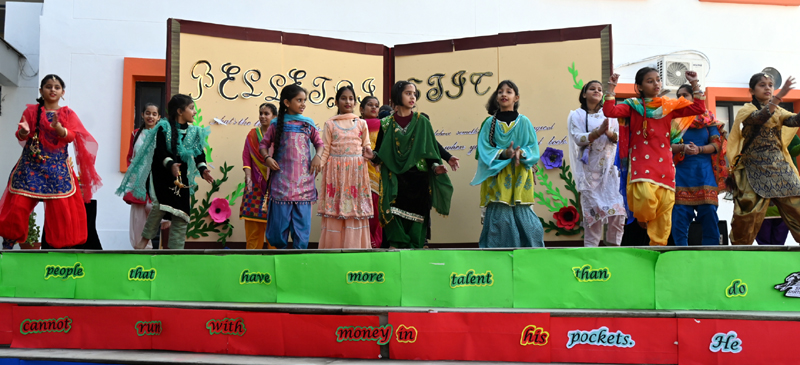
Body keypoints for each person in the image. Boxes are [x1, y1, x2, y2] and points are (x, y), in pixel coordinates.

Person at [603, 67, 705, 246]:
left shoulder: (668, 106)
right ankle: (643, 218)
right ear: (640, 87)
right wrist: (611, 89)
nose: (656, 83)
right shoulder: (632, 106)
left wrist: (694, 83)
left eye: (658, 80)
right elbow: (610, 111)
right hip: (641, 161)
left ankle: (658, 248)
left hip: (664, 163)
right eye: (650, 81)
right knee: (644, 197)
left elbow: (698, 107)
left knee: (665, 207)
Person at [0, 74, 101, 248]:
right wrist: (24, 132)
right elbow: (21, 134)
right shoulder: (31, 112)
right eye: (48, 86)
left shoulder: (68, 114)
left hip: (57, 170)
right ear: (41, 91)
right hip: (30, 167)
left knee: (62, 213)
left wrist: (59, 128)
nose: (52, 89)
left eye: (56, 87)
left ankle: (59, 256)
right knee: (17, 207)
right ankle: (7, 249)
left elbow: (71, 136)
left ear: (63, 92)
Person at [118, 93, 214, 249]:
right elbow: (160, 152)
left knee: (182, 216)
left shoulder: (195, 132)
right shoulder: (164, 128)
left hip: (181, 180)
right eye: (191, 108)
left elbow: (199, 154)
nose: (194, 112)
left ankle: (176, 255)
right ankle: (141, 247)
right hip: (162, 176)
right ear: (180, 111)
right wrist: (171, 165)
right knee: (158, 210)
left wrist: (203, 170)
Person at [371, 81, 453, 248]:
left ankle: (415, 250)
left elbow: (430, 150)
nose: (412, 97)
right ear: (397, 95)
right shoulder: (386, 124)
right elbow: (380, 153)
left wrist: (436, 166)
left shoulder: (422, 121)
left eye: (414, 94)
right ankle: (396, 247)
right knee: (393, 213)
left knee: (417, 218)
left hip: (418, 179)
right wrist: (371, 155)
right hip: (394, 177)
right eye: (408, 93)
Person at [728, 73, 800, 245]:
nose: (767, 88)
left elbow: (793, 120)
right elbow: (760, 118)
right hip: (754, 169)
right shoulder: (747, 110)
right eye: (762, 85)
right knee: (747, 213)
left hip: (780, 168)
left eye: (770, 85)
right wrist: (780, 96)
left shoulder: (780, 111)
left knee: (797, 204)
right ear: (752, 90)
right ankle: (739, 252)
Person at [471, 80, 544, 248]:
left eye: (509, 91)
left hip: (519, 175)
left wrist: (520, 153)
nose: (504, 94)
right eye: (500, 92)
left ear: (516, 98)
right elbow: (483, 151)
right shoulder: (489, 124)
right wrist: (505, 153)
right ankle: (500, 262)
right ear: (496, 98)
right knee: (501, 222)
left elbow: (532, 147)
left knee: (531, 226)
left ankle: (530, 260)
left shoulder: (524, 122)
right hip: (497, 178)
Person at [259, 84, 323, 249]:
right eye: (299, 100)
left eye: (304, 101)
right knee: (278, 228)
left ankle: (299, 258)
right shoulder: (275, 124)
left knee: (302, 228)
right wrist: (266, 158)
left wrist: (317, 156)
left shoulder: (308, 124)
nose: (303, 104)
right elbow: (263, 145)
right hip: (282, 183)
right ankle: (280, 254)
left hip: (303, 184)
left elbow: (320, 144)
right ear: (287, 102)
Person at [568, 80, 626, 247]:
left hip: (611, 172)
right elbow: (578, 138)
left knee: (618, 213)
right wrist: (596, 133)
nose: (597, 91)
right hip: (589, 173)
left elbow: (620, 137)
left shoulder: (610, 114)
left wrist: (609, 133)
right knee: (593, 218)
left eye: (600, 89)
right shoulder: (577, 115)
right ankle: (591, 255)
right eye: (592, 88)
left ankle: (614, 251)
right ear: (584, 94)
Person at [669, 84, 728, 246]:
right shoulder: (674, 120)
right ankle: (681, 255)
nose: (681, 98)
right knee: (680, 215)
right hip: (681, 174)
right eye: (678, 95)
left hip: (704, 173)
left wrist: (699, 149)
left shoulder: (708, 119)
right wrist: (683, 148)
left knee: (709, 213)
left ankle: (712, 254)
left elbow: (717, 144)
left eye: (685, 95)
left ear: (695, 98)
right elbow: (665, 146)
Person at [317, 86, 373, 248]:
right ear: (336, 101)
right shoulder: (330, 124)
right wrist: (318, 167)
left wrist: (374, 160)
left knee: (354, 211)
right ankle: (333, 250)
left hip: (356, 174)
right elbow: (326, 149)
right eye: (343, 98)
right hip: (335, 174)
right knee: (336, 211)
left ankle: (355, 247)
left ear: (355, 102)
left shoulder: (361, 123)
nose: (347, 101)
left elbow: (366, 147)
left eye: (351, 98)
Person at [124, 103, 165, 249]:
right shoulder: (135, 134)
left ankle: (158, 252)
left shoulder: (162, 135)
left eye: (154, 114)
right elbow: (130, 158)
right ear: (142, 115)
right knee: (138, 221)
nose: (151, 116)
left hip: (157, 182)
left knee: (160, 216)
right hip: (138, 183)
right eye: (148, 113)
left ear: (159, 117)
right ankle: (141, 252)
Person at [240, 103, 277, 249]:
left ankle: (274, 260)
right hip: (254, 184)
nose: (262, 116)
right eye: (261, 113)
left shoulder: (279, 135)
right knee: (253, 228)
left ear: (274, 117)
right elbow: (246, 157)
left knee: (274, 227)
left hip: (275, 185)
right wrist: (248, 177)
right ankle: (252, 260)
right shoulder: (252, 134)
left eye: (266, 113)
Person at [756, 135, 800, 245]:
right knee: (765, 244)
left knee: (778, 243)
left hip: (786, 189)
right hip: (762, 190)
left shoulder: (788, 132)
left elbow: (794, 151)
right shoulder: (756, 132)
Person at [361, 96, 383, 248]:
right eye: (370, 105)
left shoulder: (384, 125)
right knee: (363, 209)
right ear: (361, 109)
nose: (374, 108)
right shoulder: (356, 125)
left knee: (376, 210)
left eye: (376, 105)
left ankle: (375, 242)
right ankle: (364, 242)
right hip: (359, 172)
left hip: (377, 172)